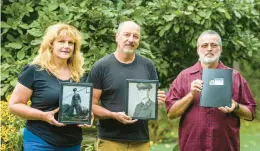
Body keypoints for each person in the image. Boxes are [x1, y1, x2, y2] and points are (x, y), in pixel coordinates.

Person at [165, 30, 257, 151]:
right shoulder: (184, 76)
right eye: (204, 45)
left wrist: (235, 106)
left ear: (221, 49)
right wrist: (191, 95)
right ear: (198, 50)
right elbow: (171, 113)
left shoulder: (234, 77)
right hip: (192, 147)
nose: (209, 49)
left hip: (225, 147)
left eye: (213, 45)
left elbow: (251, 114)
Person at [8, 23, 93, 151]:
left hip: (72, 143)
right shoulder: (34, 71)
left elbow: (83, 106)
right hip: (40, 140)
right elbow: (13, 106)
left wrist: (88, 115)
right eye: (61, 41)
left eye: (71, 43)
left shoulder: (79, 75)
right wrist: (43, 116)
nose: (66, 46)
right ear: (51, 44)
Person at [87, 21, 166, 151]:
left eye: (135, 36)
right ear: (117, 37)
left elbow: (152, 106)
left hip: (140, 140)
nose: (131, 39)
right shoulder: (101, 67)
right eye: (126, 35)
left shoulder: (148, 65)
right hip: (110, 140)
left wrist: (157, 101)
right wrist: (113, 115)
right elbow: (91, 106)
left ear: (139, 40)